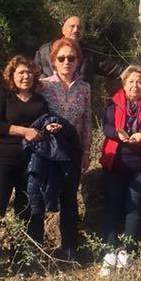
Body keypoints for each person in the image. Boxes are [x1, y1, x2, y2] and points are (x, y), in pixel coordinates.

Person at [0, 56, 62, 280]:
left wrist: (48, 128)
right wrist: (23, 131)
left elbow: (41, 125)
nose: (25, 77)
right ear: (11, 75)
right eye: (21, 72)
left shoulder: (40, 101)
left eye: (29, 73)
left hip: (30, 161)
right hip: (2, 159)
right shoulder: (2, 96)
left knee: (25, 209)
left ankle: (19, 261)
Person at [99, 66, 141, 275]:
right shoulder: (113, 102)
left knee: (134, 205)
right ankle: (110, 251)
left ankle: (126, 250)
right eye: (131, 81)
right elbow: (106, 126)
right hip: (115, 162)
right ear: (124, 84)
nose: (136, 85)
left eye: (140, 82)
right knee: (112, 204)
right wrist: (117, 133)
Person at [40, 37, 93, 260]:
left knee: (69, 197)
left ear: (78, 61)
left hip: (73, 150)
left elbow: (87, 120)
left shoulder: (84, 88)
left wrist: (87, 150)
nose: (66, 62)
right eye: (61, 58)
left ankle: (69, 247)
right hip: (48, 149)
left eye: (71, 58)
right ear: (53, 60)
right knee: (41, 195)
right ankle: (34, 247)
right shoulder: (43, 86)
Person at [35, 15, 124, 85]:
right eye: (72, 26)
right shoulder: (46, 51)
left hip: (80, 99)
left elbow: (115, 69)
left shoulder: (91, 53)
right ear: (63, 30)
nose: (76, 30)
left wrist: (130, 75)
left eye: (80, 27)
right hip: (50, 99)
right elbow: (35, 73)